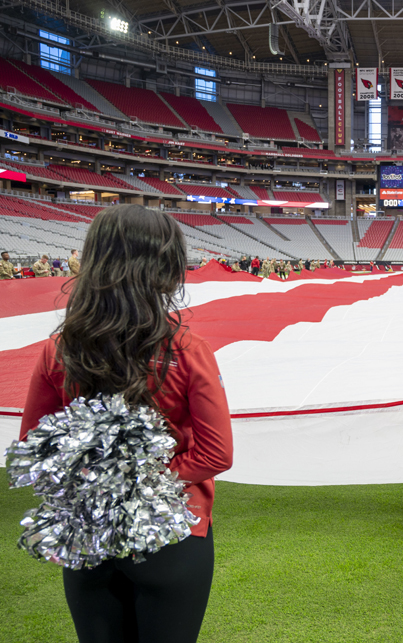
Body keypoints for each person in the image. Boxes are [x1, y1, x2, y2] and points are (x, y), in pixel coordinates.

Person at [19, 205, 233, 643]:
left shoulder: (58, 350)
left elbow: (35, 444)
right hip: (172, 530)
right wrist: (146, 485)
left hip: (89, 529)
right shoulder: (187, 349)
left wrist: (101, 483)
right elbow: (217, 453)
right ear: (167, 269)